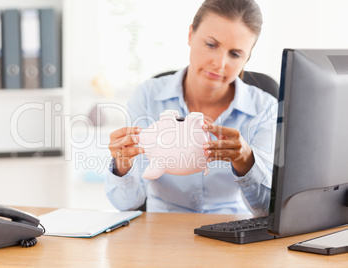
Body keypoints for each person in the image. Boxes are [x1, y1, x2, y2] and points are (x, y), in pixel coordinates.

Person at [105, 0, 277, 216]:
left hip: (233, 232)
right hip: (163, 230)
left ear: (247, 58)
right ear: (190, 35)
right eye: (211, 44)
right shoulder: (148, 96)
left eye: (235, 54)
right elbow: (126, 204)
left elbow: (266, 210)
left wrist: (246, 161)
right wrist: (123, 165)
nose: (219, 63)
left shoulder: (265, 108)